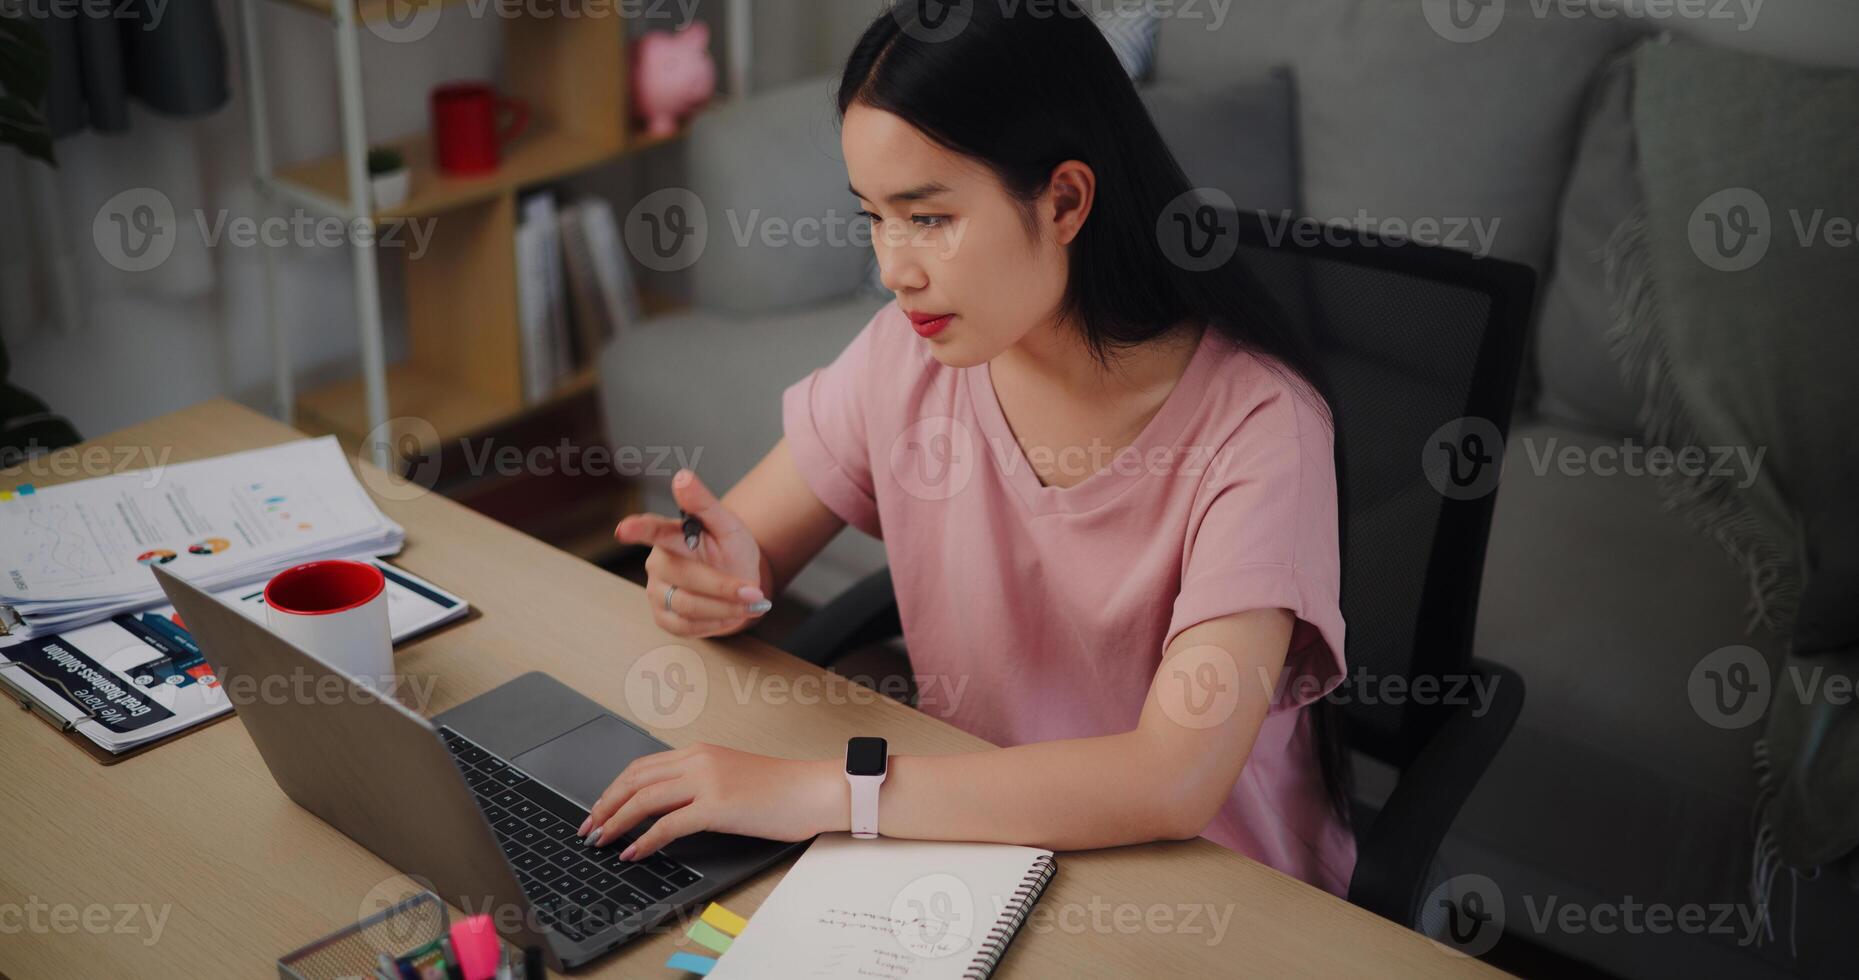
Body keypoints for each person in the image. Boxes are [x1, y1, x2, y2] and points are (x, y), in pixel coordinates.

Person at [581, 0, 1356, 897]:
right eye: (875, 217)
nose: (893, 269)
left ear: (1065, 199)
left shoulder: (1261, 428)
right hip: (979, 845)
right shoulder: (906, 353)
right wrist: (707, 583)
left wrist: (820, 792)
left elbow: (1170, 780)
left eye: (929, 218)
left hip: (1205, 891)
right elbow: (742, 552)